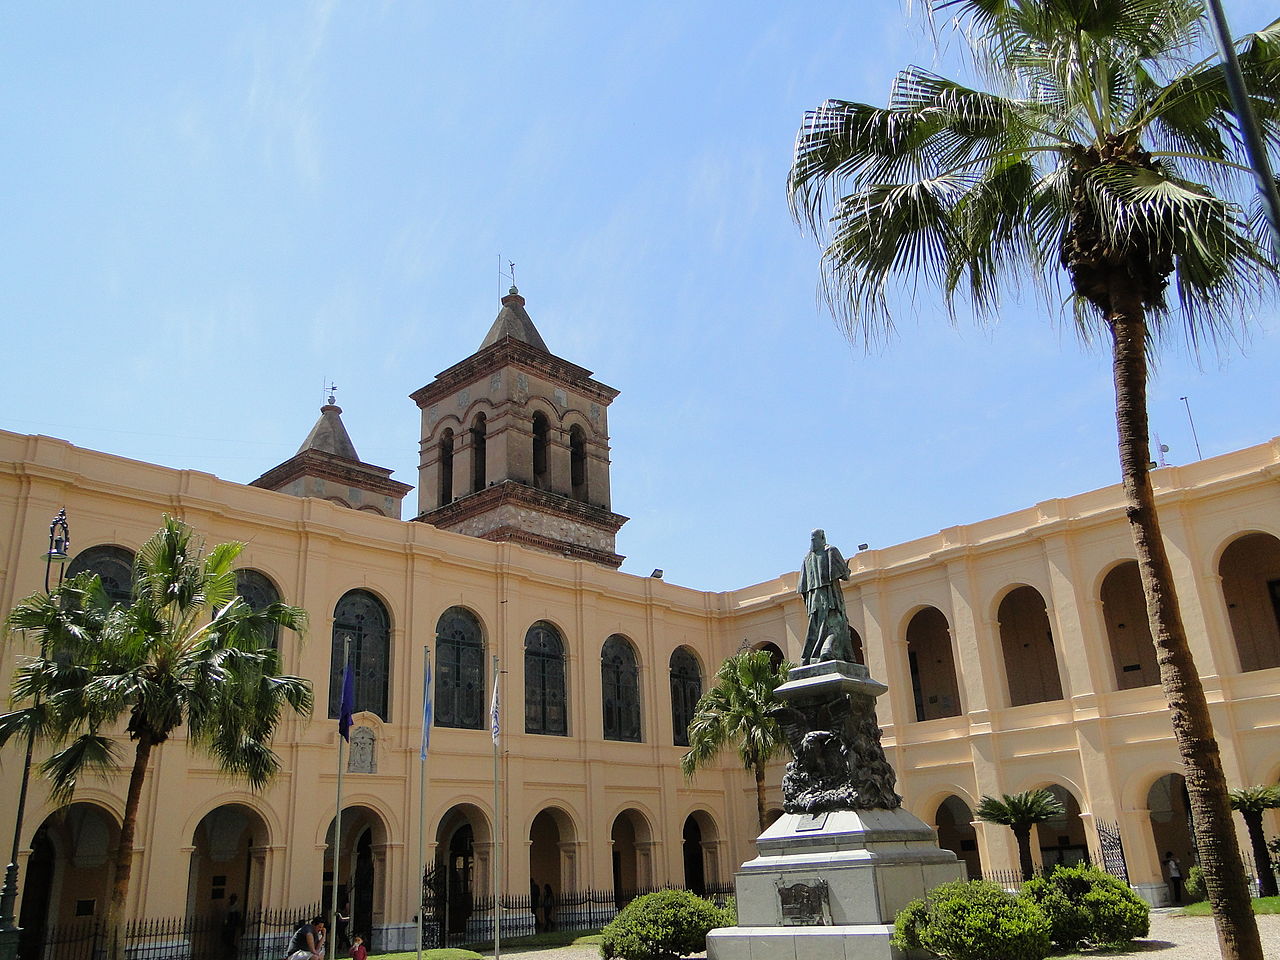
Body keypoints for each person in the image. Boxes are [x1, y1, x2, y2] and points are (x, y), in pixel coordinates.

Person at [798, 529, 856, 663]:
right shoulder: (830, 550)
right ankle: (826, 650)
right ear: (823, 537)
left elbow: (802, 587)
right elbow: (844, 575)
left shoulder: (807, 558)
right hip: (829, 596)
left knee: (816, 630)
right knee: (836, 625)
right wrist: (846, 568)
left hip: (813, 600)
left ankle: (808, 658)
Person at [222, 894, 244, 959]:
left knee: (232, 938)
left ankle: (232, 951)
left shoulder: (237, 907)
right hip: (228, 925)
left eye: (233, 899)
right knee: (226, 938)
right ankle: (230, 951)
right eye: (231, 899)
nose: (232, 900)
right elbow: (226, 915)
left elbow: (238, 917)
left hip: (233, 925)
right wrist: (225, 922)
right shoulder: (228, 906)